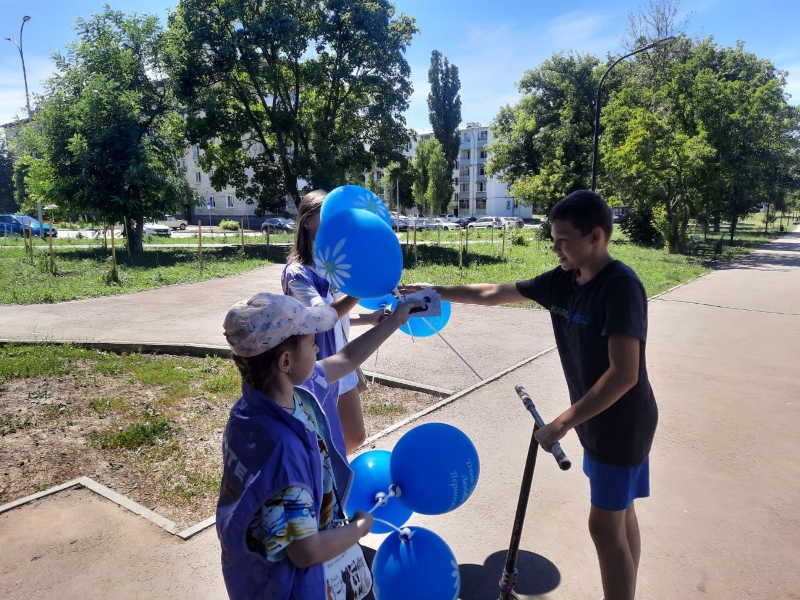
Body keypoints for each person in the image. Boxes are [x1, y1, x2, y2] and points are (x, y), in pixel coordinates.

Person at [404, 190, 658, 600]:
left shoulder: (621, 287)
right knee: (620, 514)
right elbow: (495, 293)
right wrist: (435, 291)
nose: (555, 247)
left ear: (596, 237)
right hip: (596, 422)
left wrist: (560, 424)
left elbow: (624, 375)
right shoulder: (564, 281)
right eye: (553, 239)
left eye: (563, 240)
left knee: (604, 526)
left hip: (621, 425)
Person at [217, 291, 417, 600]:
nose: (320, 347)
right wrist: (359, 529)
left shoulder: (259, 406)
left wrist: (398, 318)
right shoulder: (283, 449)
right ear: (285, 361)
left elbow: (347, 359)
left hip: (266, 566)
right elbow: (305, 552)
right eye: (312, 343)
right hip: (302, 584)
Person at [282, 189, 385, 454]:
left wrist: (369, 318)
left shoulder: (334, 264)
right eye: (325, 215)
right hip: (317, 369)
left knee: (354, 436)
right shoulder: (297, 273)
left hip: (343, 361)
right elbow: (321, 318)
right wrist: (360, 288)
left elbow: (338, 315)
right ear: (306, 221)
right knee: (324, 440)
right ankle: (319, 479)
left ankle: (328, 475)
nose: (335, 221)